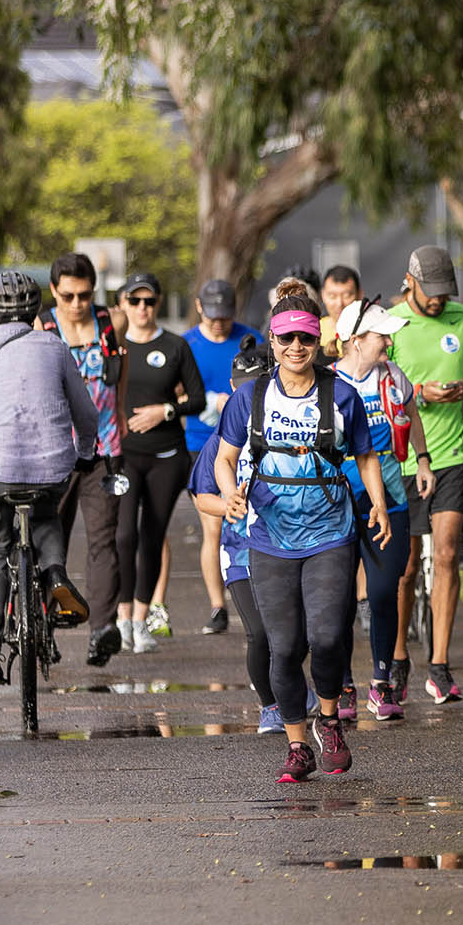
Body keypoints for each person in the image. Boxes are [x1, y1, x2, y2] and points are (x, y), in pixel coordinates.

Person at [214, 281, 391, 782]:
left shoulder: (343, 396)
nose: (296, 348)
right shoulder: (248, 399)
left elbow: (366, 456)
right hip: (269, 537)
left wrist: (377, 502)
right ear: (271, 342)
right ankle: (297, 745)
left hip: (332, 533)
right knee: (285, 646)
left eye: (306, 340)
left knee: (331, 636)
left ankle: (329, 720)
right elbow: (226, 460)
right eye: (286, 339)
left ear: (319, 342)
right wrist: (230, 493)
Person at [0, 270, 99, 683]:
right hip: (52, 465)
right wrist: (84, 454)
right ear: (36, 309)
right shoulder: (56, 347)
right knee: (45, 514)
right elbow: (87, 414)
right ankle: (56, 572)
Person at [388, 245, 463, 705]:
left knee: (446, 554)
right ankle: (398, 656)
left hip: (450, 454)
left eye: (446, 293)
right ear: (411, 280)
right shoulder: (390, 325)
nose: (438, 301)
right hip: (401, 458)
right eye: (431, 292)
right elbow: (378, 389)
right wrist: (418, 393)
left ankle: (440, 664)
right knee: (405, 568)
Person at [332, 297, 432, 721]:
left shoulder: (392, 375)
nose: (388, 342)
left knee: (382, 591)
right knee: (336, 598)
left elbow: (410, 409)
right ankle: (342, 686)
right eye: (380, 335)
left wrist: (422, 459)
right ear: (354, 340)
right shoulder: (327, 383)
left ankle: (382, 681)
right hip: (336, 504)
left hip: (389, 499)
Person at [187, 341, 289, 732]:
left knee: (290, 633)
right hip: (241, 552)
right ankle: (270, 706)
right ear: (232, 387)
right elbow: (202, 497)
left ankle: (293, 688)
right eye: (244, 386)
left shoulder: (285, 429)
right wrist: (228, 504)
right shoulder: (220, 441)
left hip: (287, 545)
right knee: (259, 632)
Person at [38, 253, 127, 667]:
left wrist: (122, 414)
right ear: (54, 291)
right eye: (68, 295)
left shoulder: (113, 321)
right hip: (56, 451)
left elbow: (120, 371)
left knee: (103, 540)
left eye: (85, 295)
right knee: (48, 541)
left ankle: (103, 630)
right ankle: (43, 626)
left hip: (104, 450)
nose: (77, 303)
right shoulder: (43, 326)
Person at [116, 273, 206, 652]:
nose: (142, 308)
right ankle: (121, 619)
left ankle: (140, 621)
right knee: (123, 535)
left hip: (168, 456)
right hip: (123, 457)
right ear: (122, 303)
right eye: (134, 301)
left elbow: (197, 399)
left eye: (149, 302)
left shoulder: (174, 346)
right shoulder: (115, 348)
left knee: (152, 537)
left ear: (157, 304)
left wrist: (165, 410)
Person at [182, 279, 264, 637]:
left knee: (246, 522)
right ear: (200, 308)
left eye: (225, 315)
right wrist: (210, 401)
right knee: (212, 525)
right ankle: (218, 605)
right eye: (213, 315)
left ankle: (251, 593)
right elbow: (179, 388)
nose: (219, 322)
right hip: (203, 440)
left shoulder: (251, 338)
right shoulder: (187, 343)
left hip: (249, 439)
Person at [318, 265, 362, 357]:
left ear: (360, 295)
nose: (339, 304)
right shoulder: (314, 330)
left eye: (346, 296)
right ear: (322, 295)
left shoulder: (370, 333)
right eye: (332, 296)